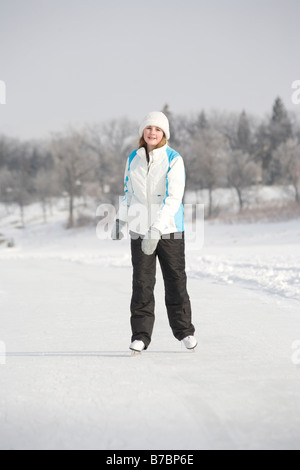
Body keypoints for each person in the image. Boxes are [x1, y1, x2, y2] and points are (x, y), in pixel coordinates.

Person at [112, 111, 197, 353]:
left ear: (164, 134)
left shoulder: (173, 159)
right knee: (142, 284)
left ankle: (184, 332)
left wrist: (156, 229)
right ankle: (140, 336)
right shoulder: (133, 159)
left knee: (175, 281)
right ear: (143, 132)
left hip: (169, 231)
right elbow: (129, 193)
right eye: (149, 128)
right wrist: (120, 219)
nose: (152, 132)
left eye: (158, 129)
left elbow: (173, 199)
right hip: (139, 230)